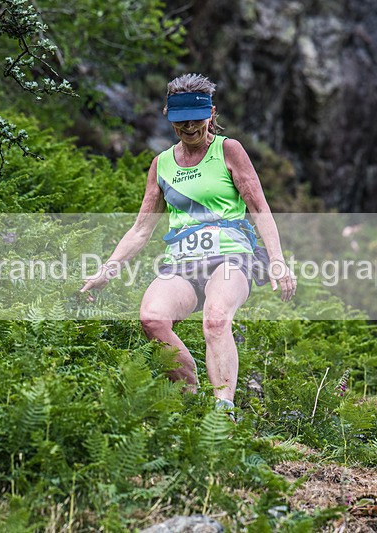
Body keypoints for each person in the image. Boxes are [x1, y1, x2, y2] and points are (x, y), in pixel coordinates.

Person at [80, 73, 296, 412]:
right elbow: (141, 229)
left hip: (232, 256)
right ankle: (190, 393)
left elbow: (259, 209)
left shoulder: (228, 151)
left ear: (210, 114)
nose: (190, 128)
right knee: (152, 319)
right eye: (181, 122)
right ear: (169, 116)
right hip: (182, 262)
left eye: (196, 120)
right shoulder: (162, 164)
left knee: (216, 318)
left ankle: (223, 410)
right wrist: (106, 272)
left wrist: (278, 260)